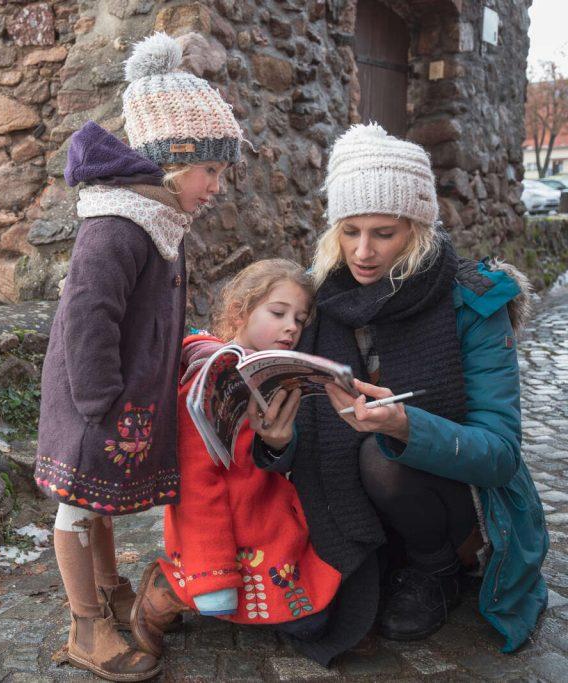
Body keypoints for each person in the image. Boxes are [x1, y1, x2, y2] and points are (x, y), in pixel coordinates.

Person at [252, 123, 547, 663]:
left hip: (458, 500)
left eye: (383, 233)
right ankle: (378, 558)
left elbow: (501, 455)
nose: (362, 252)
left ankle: (438, 570)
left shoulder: (474, 304)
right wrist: (275, 440)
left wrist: (404, 427)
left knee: (380, 456)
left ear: (417, 226)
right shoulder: (322, 301)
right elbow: (301, 445)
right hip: (346, 498)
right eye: (350, 231)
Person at [33, 32, 245, 681]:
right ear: (173, 160)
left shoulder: (156, 222)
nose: (215, 186)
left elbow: (151, 322)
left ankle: (112, 590)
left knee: (92, 502)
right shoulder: (118, 224)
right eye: (210, 170)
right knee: (76, 506)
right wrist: (99, 400)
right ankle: (84, 625)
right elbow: (90, 316)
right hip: (92, 400)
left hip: (116, 398)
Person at [129, 259, 342, 660]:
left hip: (269, 515)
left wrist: (279, 445)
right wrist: (211, 571)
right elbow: (195, 483)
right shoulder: (209, 376)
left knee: (314, 623)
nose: (291, 327)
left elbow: (280, 456)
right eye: (277, 313)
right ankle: (170, 585)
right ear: (241, 311)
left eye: (300, 318)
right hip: (221, 524)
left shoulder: (275, 372)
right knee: (232, 602)